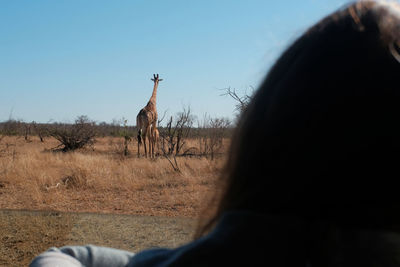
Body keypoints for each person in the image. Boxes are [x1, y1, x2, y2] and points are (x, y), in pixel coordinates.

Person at [30, 1, 400, 266]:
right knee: (151, 137)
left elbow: (65, 256)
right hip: (149, 118)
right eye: (156, 81)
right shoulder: (152, 108)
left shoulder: (226, 249)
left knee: (152, 138)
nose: (157, 84)